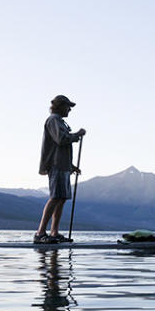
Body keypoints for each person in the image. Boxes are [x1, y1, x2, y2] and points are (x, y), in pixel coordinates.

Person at [36, 95, 86, 243]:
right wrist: (77, 134)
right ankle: (40, 233)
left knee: (62, 198)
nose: (70, 110)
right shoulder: (53, 120)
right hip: (56, 165)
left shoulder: (60, 122)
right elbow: (61, 139)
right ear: (60, 106)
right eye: (68, 106)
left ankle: (54, 233)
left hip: (63, 165)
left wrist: (71, 166)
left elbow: (61, 146)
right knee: (55, 197)